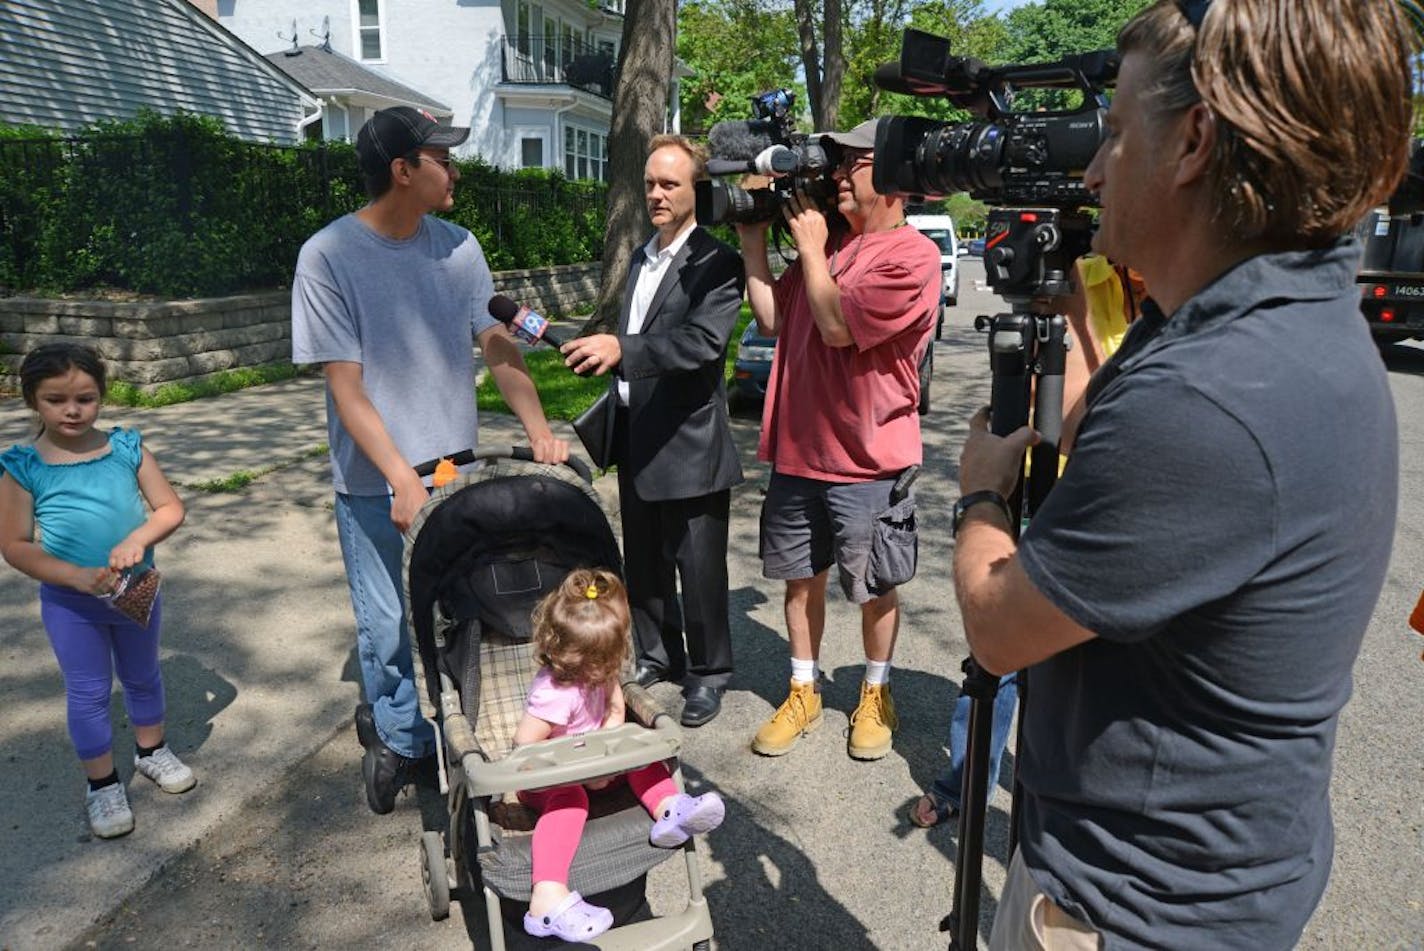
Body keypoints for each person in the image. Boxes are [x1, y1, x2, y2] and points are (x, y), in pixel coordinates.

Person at [951, 2, 1412, 947]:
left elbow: (999, 630)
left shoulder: (1217, 396)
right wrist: (1079, 315)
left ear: (1194, 140)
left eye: (1115, 133)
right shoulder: (1275, 319)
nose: (1089, 170)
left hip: (1130, 909)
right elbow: (1114, 451)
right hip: (1217, 872)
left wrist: (982, 491)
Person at [291, 106, 570, 815]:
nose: (456, 170)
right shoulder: (327, 257)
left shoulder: (459, 246)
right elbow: (346, 387)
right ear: (402, 169)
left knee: (461, 610)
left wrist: (539, 429)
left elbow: (498, 344)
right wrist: (397, 478)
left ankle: (459, 727)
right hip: (374, 481)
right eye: (442, 158)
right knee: (386, 626)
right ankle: (400, 734)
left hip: (454, 470)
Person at [912, 255, 1141, 829]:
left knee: (1087, 670)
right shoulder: (1078, 275)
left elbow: (1129, 429)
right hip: (1046, 499)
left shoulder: (1187, 292)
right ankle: (963, 783)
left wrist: (980, 499)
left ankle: (1061, 802)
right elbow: (1053, 408)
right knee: (997, 659)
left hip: (1118, 514)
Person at [735, 119, 940, 760]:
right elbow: (772, 318)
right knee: (802, 582)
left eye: (851, 162)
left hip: (867, 461)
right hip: (800, 451)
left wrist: (814, 250)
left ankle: (875, 693)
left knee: (874, 585)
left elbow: (836, 328)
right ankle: (804, 689)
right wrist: (751, 237)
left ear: (891, 177)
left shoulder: (913, 257)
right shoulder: (833, 248)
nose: (836, 176)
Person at [560, 135, 745, 728]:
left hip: (690, 443)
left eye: (670, 184)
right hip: (637, 435)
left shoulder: (718, 262)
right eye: (650, 183)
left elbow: (702, 344)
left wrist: (624, 349)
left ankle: (709, 674)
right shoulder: (642, 255)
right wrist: (604, 352)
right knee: (643, 563)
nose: (657, 194)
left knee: (699, 570)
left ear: (698, 190)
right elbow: (635, 331)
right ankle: (659, 656)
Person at [0, 344, 193, 839]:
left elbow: (169, 508)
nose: (72, 409)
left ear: (101, 396)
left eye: (85, 398)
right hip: (71, 604)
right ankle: (102, 783)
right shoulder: (24, 467)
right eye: (56, 399)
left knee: (144, 675)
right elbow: (15, 546)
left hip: (136, 588)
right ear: (33, 402)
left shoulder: (127, 448)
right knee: (87, 692)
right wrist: (73, 576)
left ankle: (151, 752)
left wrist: (138, 538)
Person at [514, 568, 726, 942]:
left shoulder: (602, 670)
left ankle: (669, 811)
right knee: (571, 800)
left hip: (599, 763)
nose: (608, 670)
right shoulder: (554, 693)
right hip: (550, 779)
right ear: (567, 653)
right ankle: (546, 896)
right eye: (601, 662)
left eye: (612, 659)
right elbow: (525, 750)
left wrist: (611, 753)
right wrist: (580, 771)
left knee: (642, 758)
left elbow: (615, 711)